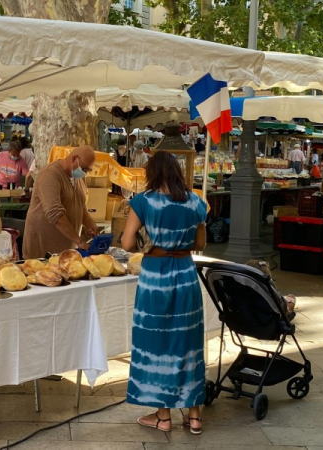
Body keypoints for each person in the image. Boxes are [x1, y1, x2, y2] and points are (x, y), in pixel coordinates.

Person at [120, 151, 208, 435]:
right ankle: (194, 416)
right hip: (186, 276)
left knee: (155, 344)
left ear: (152, 173)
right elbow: (201, 243)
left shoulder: (143, 201)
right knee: (188, 343)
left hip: (155, 278)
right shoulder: (196, 201)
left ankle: (163, 416)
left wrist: (149, 243)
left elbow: (127, 243)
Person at [22, 145, 98, 259]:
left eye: (88, 170)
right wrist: (78, 240)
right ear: (74, 159)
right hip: (43, 250)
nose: (85, 173)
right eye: (84, 169)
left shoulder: (77, 177)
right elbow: (55, 214)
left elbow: (80, 206)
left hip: (65, 250)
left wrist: (90, 224)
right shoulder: (50, 174)